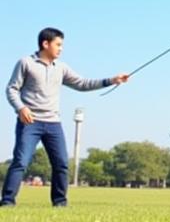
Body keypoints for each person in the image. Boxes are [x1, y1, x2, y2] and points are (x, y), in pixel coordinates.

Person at [1, 28, 128, 207]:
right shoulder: (26, 63)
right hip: (29, 122)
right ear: (46, 44)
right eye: (58, 45)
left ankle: (60, 203)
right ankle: (7, 201)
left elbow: (83, 84)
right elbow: (11, 89)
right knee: (20, 162)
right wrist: (21, 108)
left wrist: (111, 80)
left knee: (61, 164)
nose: (61, 49)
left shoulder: (61, 68)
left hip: (53, 123)